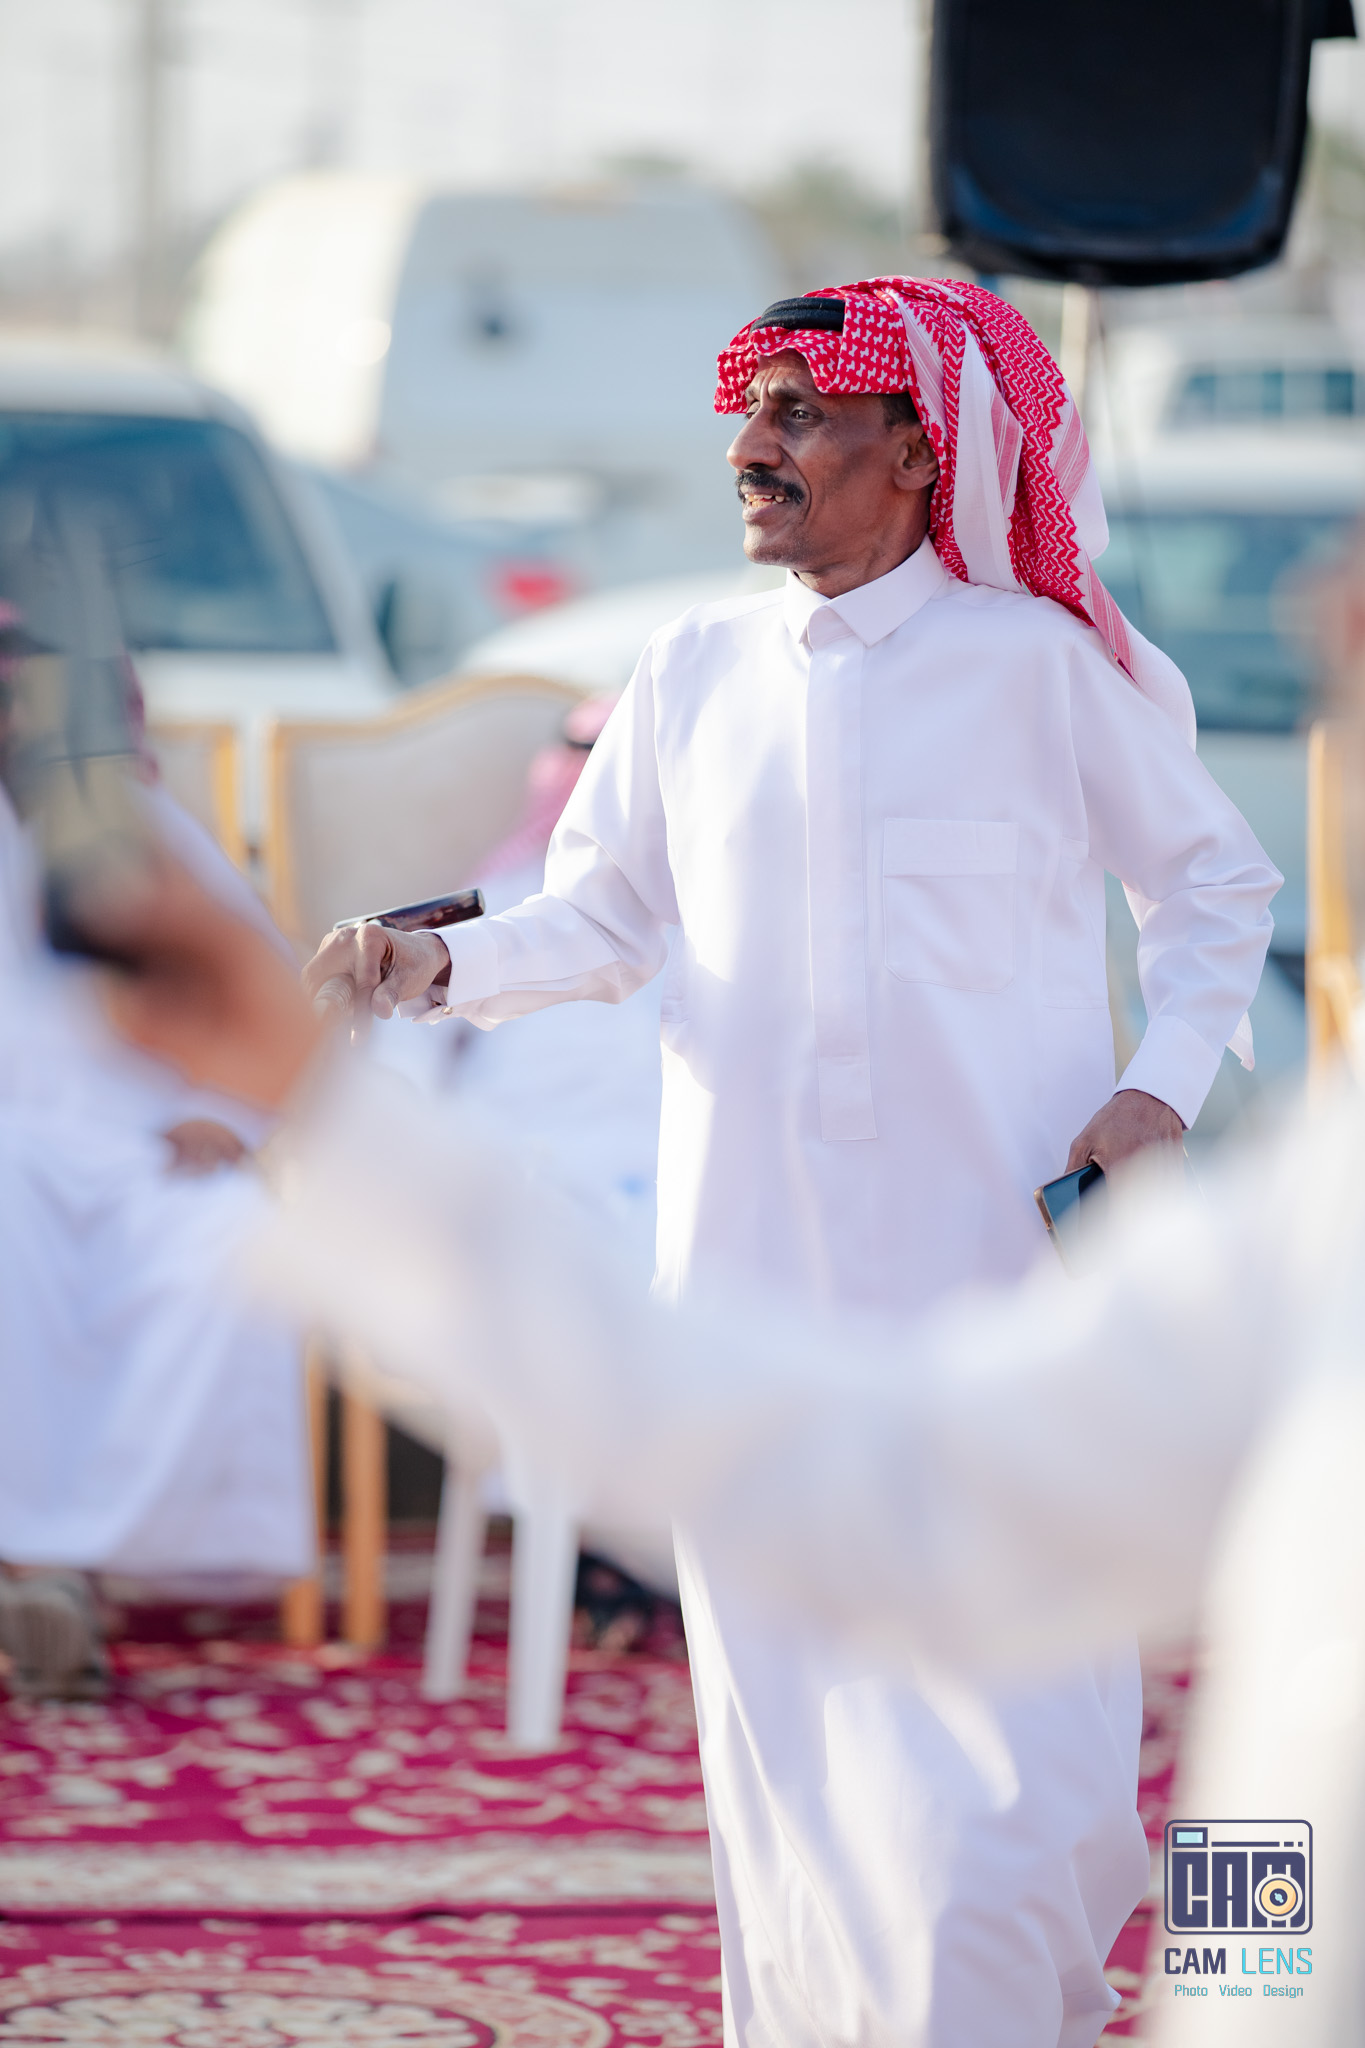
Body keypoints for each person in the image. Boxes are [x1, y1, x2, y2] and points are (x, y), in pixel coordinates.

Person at [299, 279, 1281, 2047]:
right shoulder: (689, 669)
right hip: (751, 1275)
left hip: (995, 1279)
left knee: (1011, 1768)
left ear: (916, 452)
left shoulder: (1038, 668)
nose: (752, 450)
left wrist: (1161, 1084)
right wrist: (431, 965)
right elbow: (604, 918)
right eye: (750, 415)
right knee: (791, 1747)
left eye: (802, 415)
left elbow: (1214, 883)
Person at [0, 707, 314, 1699]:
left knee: (230, 1235)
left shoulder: (133, 821)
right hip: (14, 1145)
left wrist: (225, 1109)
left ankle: (75, 1568)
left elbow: (251, 986)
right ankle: (34, 1568)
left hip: (146, 1138)